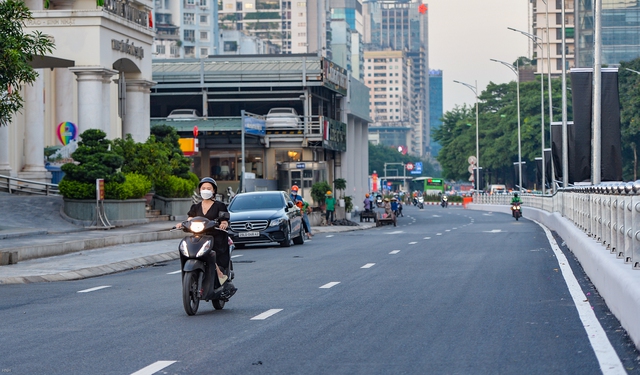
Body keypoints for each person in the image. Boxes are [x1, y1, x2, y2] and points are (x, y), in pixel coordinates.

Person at [176, 177, 231, 286]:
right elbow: (190, 219)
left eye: (209, 188)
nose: (206, 190)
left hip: (215, 237)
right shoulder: (195, 207)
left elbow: (224, 220)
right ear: (200, 190)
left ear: (214, 190)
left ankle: (220, 274)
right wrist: (182, 224)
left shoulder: (220, 206)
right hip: (199, 236)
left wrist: (223, 224)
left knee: (214, 254)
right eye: (203, 188)